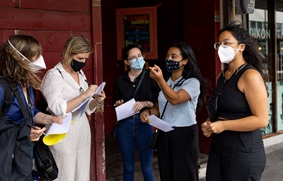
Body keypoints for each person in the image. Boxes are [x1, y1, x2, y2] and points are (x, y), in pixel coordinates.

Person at [0, 34, 63, 180]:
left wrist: (49, 119)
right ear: (21, 59)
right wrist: (23, 134)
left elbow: (29, 111)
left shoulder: (25, 85)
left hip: (21, 159)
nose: (40, 60)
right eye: (36, 56)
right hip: (0, 165)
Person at [201, 23, 269, 181]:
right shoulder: (222, 75)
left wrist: (223, 125)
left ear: (241, 47)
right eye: (219, 44)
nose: (221, 47)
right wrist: (210, 122)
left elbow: (261, 119)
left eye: (226, 43)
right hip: (220, 147)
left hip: (243, 151)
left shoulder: (250, 76)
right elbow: (222, 108)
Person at [41, 35, 106, 181]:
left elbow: (87, 108)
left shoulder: (80, 73)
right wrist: (85, 95)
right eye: (80, 58)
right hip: (62, 129)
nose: (83, 62)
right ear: (68, 53)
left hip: (82, 127)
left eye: (85, 59)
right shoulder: (54, 75)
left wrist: (96, 100)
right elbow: (57, 108)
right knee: (65, 173)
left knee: (82, 173)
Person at [141, 42, 208, 181]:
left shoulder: (192, 82)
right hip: (165, 131)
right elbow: (161, 107)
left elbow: (175, 99)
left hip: (184, 133)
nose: (169, 59)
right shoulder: (167, 80)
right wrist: (149, 112)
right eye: (167, 56)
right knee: (167, 171)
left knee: (184, 173)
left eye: (174, 56)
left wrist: (160, 81)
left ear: (185, 60)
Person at [113, 44, 158, 181]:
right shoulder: (120, 79)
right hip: (125, 125)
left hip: (145, 123)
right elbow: (115, 101)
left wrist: (145, 103)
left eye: (139, 56)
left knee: (146, 166)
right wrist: (118, 104)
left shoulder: (151, 77)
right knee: (128, 167)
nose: (137, 59)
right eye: (133, 57)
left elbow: (158, 103)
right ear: (126, 62)